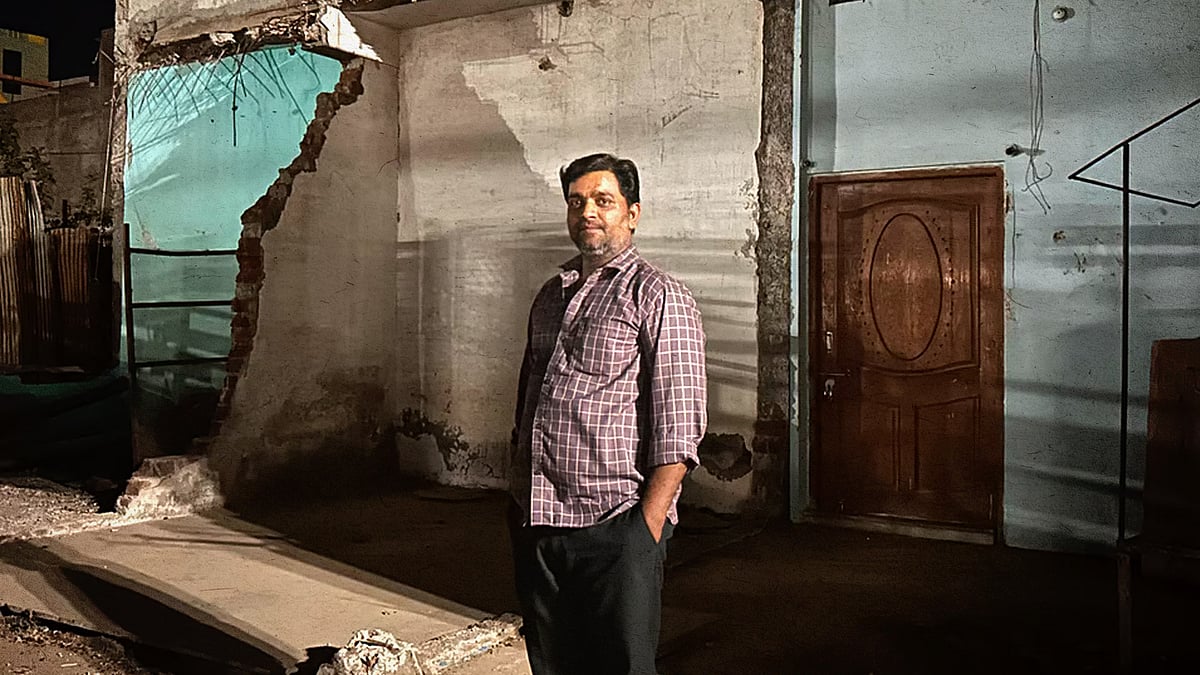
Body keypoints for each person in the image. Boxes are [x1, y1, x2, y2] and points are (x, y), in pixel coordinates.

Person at [508, 153, 708, 675]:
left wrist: (647, 526)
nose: (588, 212)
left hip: (616, 524)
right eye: (577, 202)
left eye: (603, 200)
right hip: (540, 522)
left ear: (633, 213)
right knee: (553, 664)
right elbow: (529, 395)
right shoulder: (551, 296)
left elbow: (680, 422)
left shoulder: (659, 296)